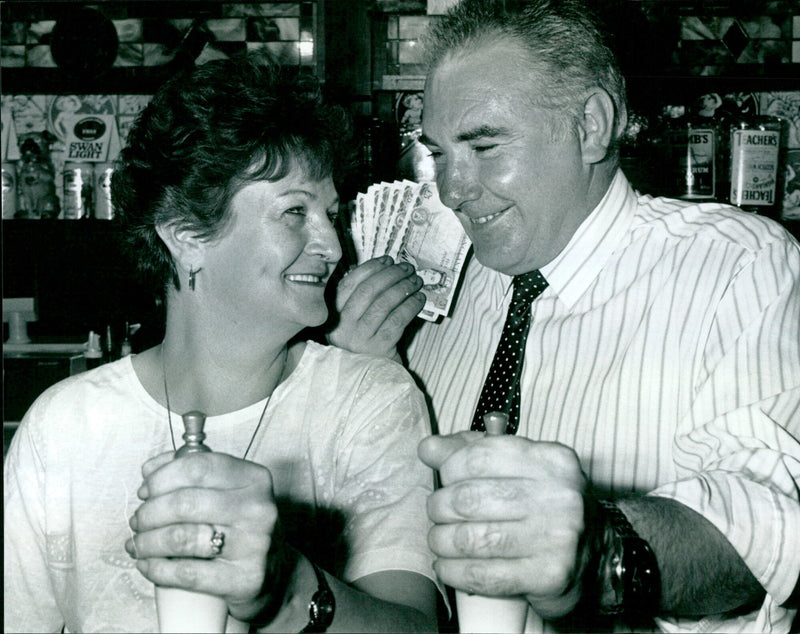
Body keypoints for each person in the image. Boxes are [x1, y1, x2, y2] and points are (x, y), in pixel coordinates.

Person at [328, 0, 800, 632]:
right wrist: (363, 385)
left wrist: (597, 553)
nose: (450, 189)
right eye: (438, 153)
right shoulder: (429, 282)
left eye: (485, 144)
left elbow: (769, 532)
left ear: (591, 126)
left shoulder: (738, 266)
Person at [4, 52, 438, 633]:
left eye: (330, 214)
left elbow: (416, 627)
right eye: (294, 212)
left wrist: (282, 587)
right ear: (187, 237)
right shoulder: (66, 427)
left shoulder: (370, 399)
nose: (332, 246)